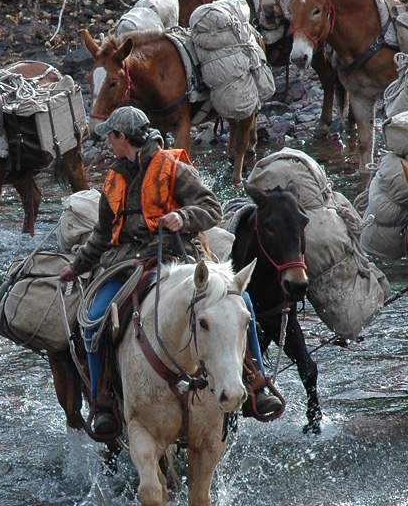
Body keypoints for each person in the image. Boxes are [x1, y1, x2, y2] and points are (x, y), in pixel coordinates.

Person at [57, 105, 282, 437]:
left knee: (241, 303)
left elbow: (212, 208)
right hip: (125, 264)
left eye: (111, 138)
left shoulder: (173, 167)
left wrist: (184, 218)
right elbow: (102, 236)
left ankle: (257, 384)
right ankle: (102, 401)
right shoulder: (113, 179)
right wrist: (76, 268)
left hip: (179, 258)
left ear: (122, 138)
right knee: (93, 319)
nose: (108, 145)